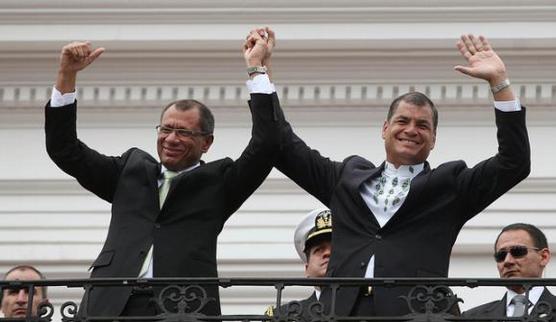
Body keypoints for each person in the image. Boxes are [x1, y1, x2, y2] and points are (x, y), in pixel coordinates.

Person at [244, 29, 530, 317]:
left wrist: (499, 83)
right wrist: (259, 72)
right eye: (402, 121)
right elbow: (283, 147)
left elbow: (514, 162)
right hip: (343, 313)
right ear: (385, 129)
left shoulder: (449, 186)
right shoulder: (347, 179)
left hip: (415, 314)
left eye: (422, 125)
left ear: (433, 139)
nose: (411, 130)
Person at [45, 39, 280, 318]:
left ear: (206, 142)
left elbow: (267, 145)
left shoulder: (220, 182)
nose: (171, 139)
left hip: (182, 307)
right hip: (110, 303)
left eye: (184, 133)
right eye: (166, 129)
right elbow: (65, 149)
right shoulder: (129, 171)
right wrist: (66, 76)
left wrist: (257, 70)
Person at [463, 223, 556, 320]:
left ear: (543, 257)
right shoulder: (472, 317)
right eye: (501, 255)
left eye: (518, 252)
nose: (507, 261)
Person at [264, 208, 332, 321]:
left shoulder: (369, 307)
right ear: (307, 269)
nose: (327, 253)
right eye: (319, 249)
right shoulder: (284, 316)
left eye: (335, 249)